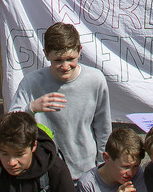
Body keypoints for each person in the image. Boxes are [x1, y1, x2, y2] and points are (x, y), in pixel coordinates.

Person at [10, 21, 113, 171]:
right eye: (58, 60)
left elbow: (103, 127)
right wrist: (31, 108)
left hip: (85, 168)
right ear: (46, 54)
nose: (65, 66)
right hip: (46, 168)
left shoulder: (95, 80)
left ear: (79, 51)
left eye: (70, 59)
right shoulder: (32, 82)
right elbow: (9, 123)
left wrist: (103, 163)